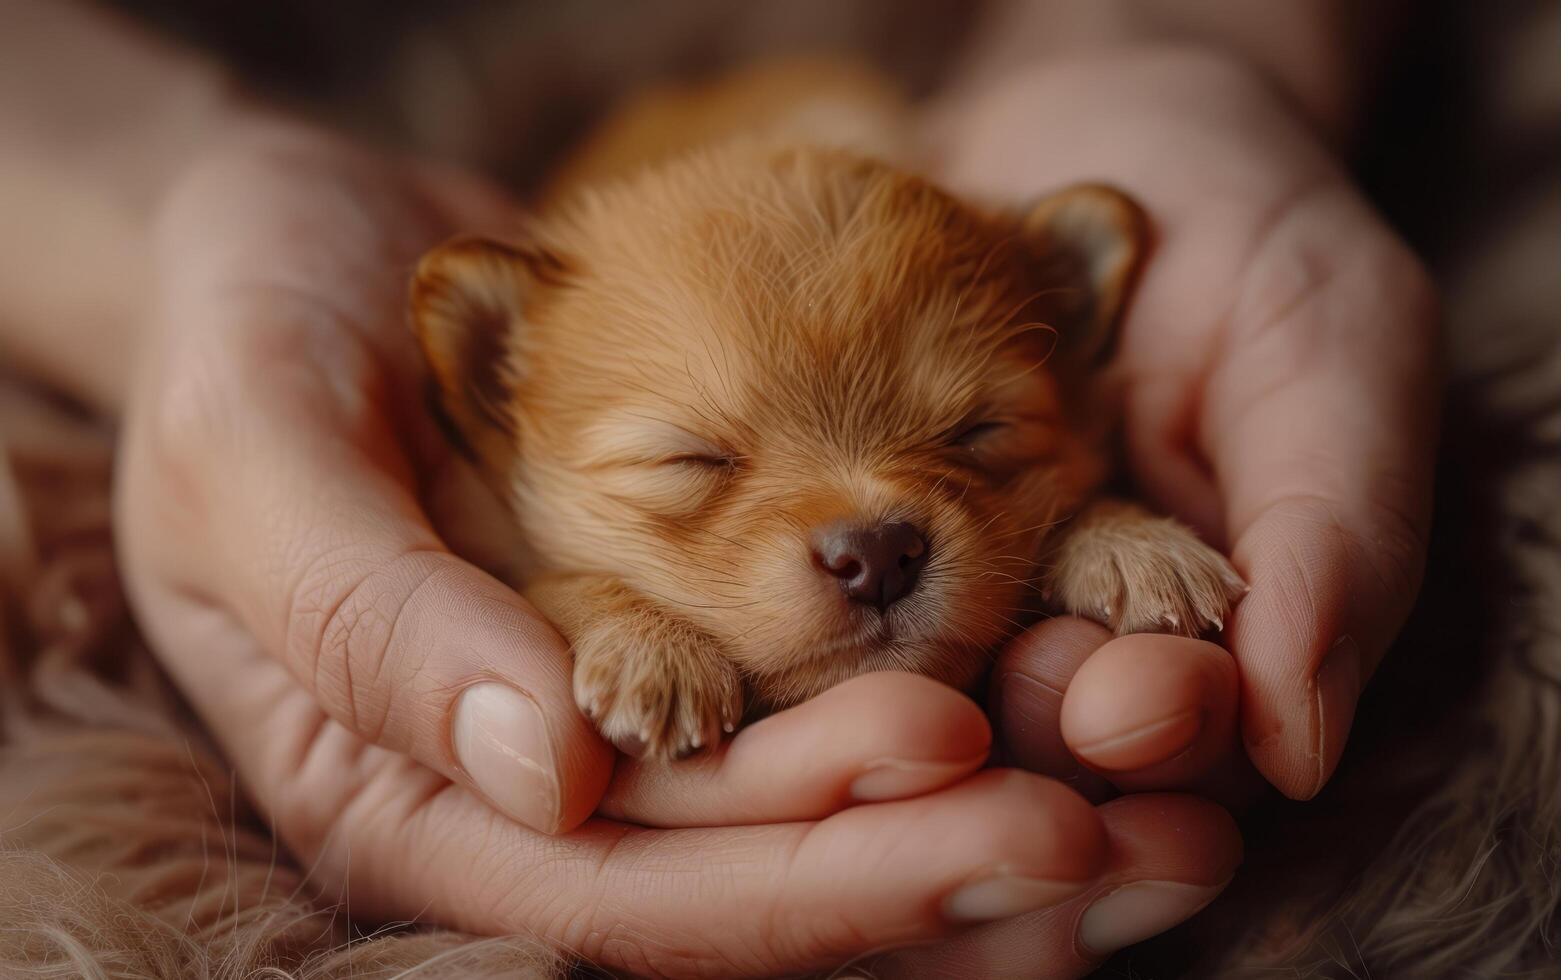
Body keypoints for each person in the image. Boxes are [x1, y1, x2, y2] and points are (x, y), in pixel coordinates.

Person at [0, 0, 1436, 975]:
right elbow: (527, 567)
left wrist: (1186, 44)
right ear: (496, 398)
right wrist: (180, 211)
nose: (869, 531)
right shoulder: (519, 383)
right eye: (693, 466)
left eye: (979, 441)